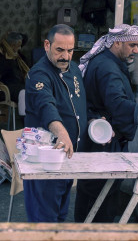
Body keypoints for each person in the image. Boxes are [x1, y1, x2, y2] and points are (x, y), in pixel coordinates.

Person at [74, 24, 138, 223]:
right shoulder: (107, 68)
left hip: (100, 139)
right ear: (117, 43)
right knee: (98, 195)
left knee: (96, 192)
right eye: (132, 45)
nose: (136, 50)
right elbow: (118, 105)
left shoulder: (107, 62)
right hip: (102, 142)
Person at [23, 24, 88, 222]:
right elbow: (46, 106)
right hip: (45, 161)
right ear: (47, 45)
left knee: (59, 217)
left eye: (70, 50)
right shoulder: (39, 74)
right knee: (44, 222)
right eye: (59, 50)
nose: (65, 56)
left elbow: (79, 105)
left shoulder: (74, 69)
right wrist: (61, 132)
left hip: (67, 159)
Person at [0, 32, 30, 116]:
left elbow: (25, 37)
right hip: (7, 87)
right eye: (18, 45)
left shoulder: (18, 56)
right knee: (24, 92)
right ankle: (25, 120)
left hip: (20, 84)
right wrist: (10, 61)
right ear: (12, 45)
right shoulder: (2, 57)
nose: (20, 47)